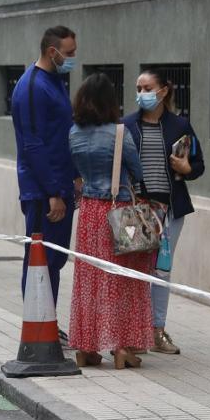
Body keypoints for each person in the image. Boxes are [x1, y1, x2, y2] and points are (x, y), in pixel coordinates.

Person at [68, 73, 154, 369]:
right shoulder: (119, 133)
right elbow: (138, 172)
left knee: (89, 280)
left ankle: (87, 348)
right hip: (118, 213)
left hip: (89, 212)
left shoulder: (74, 133)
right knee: (122, 280)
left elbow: (73, 171)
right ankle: (121, 347)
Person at [123, 68, 205, 354]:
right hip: (137, 209)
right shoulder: (128, 125)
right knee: (134, 270)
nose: (142, 94)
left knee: (161, 271)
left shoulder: (180, 126)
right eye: (138, 88)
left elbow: (198, 165)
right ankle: (133, 333)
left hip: (170, 209)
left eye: (147, 88)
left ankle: (157, 330)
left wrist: (187, 168)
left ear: (163, 91)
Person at [11, 26, 80, 328]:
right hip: (43, 192)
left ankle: (48, 324)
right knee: (40, 261)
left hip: (60, 186)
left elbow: (62, 135)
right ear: (52, 52)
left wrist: (74, 177)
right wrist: (53, 191)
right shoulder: (32, 87)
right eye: (70, 54)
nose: (73, 59)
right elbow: (34, 144)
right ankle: (38, 326)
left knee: (53, 261)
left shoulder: (54, 81)